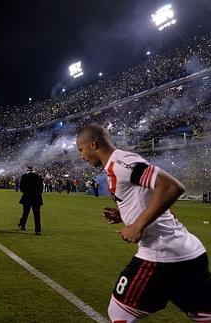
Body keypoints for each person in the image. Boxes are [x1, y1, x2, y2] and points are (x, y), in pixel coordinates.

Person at [76, 125, 210, 322]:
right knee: (204, 315)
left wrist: (137, 225)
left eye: (81, 149)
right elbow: (144, 197)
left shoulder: (121, 163)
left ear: (93, 144)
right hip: (189, 253)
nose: (81, 156)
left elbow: (172, 186)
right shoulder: (117, 164)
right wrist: (123, 215)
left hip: (161, 255)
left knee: (119, 313)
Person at [18, 165, 43, 235]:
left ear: (27, 170)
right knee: (37, 214)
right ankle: (38, 230)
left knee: (25, 213)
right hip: (37, 198)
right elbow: (41, 189)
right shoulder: (39, 177)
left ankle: (22, 225)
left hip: (27, 197)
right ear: (34, 169)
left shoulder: (24, 176)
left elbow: (22, 189)